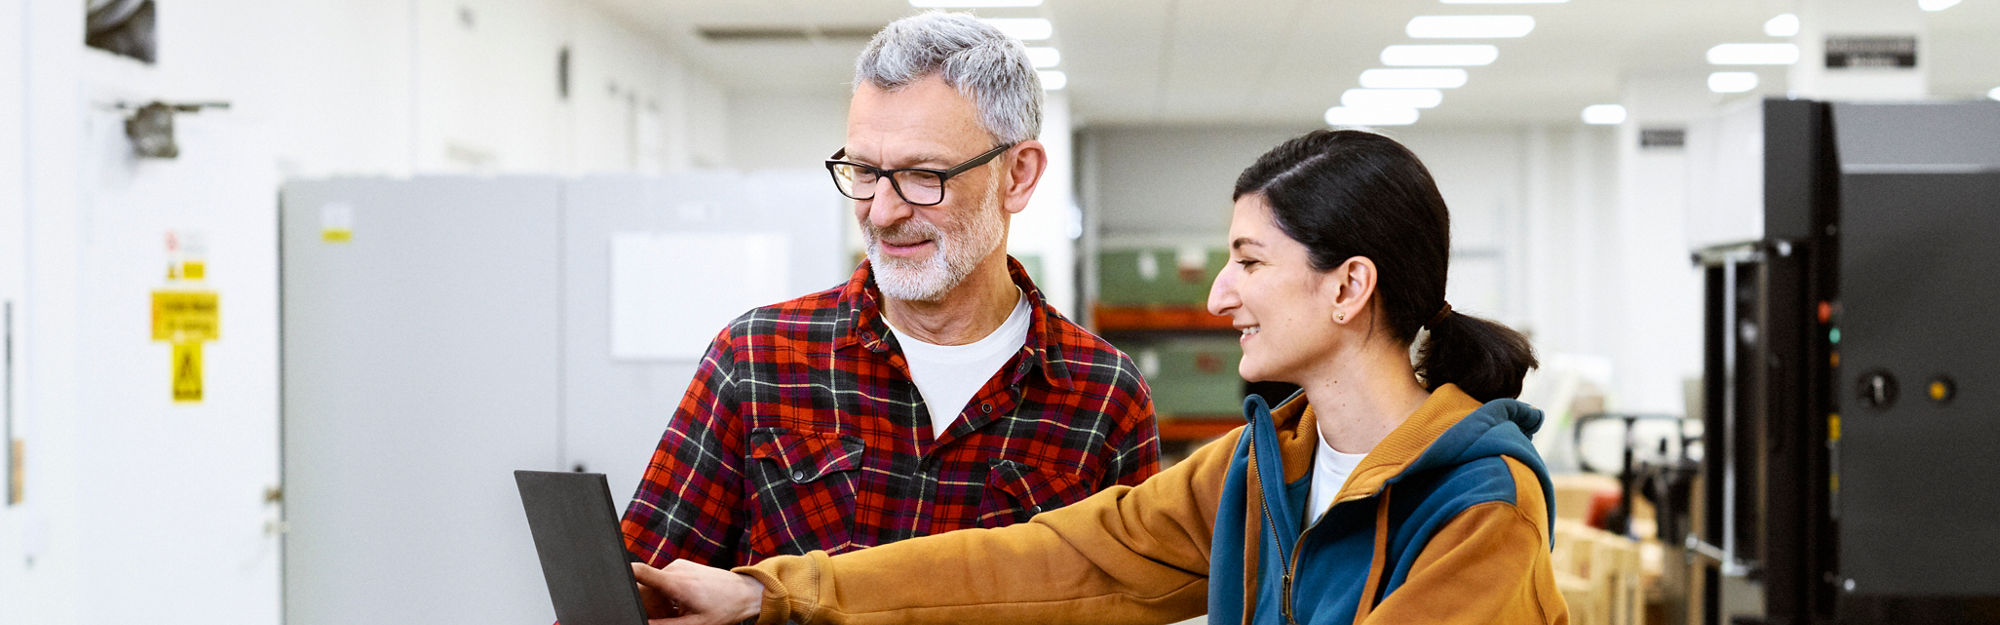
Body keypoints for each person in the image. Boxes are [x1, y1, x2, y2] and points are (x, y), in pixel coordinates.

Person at [628, 129, 1570, 625]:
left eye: (1248, 261)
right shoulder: (1258, 471)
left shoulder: (1480, 507)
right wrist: (773, 593)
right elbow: (1043, 560)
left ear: (1349, 285)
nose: (1217, 295)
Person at [618, 11, 1161, 573]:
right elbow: (638, 591)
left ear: (1018, 176)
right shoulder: (758, 358)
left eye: (924, 175)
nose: (881, 211)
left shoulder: (1102, 398)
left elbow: (1134, 600)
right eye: (863, 170)